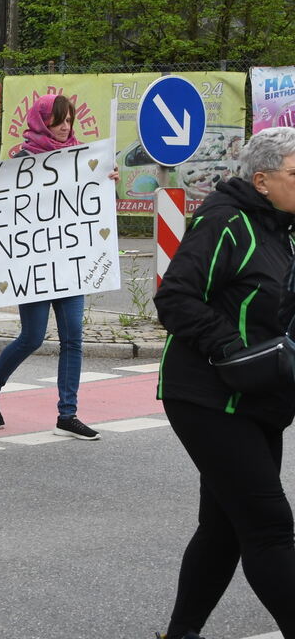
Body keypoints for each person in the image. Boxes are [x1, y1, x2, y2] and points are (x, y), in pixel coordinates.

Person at [151, 127, 295, 639]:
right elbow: (175, 300)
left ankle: (180, 633)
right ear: (262, 180)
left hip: (262, 398)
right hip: (208, 394)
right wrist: (232, 349)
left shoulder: (284, 226)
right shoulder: (225, 221)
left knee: (223, 528)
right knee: (270, 528)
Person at [0, 95, 114, 441]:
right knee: (32, 337)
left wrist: (106, 180)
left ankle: (68, 414)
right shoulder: (22, 160)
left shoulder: (83, 157)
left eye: (69, 121)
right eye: (58, 121)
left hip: (70, 263)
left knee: (73, 339)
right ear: (42, 122)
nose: (65, 127)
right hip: (34, 264)